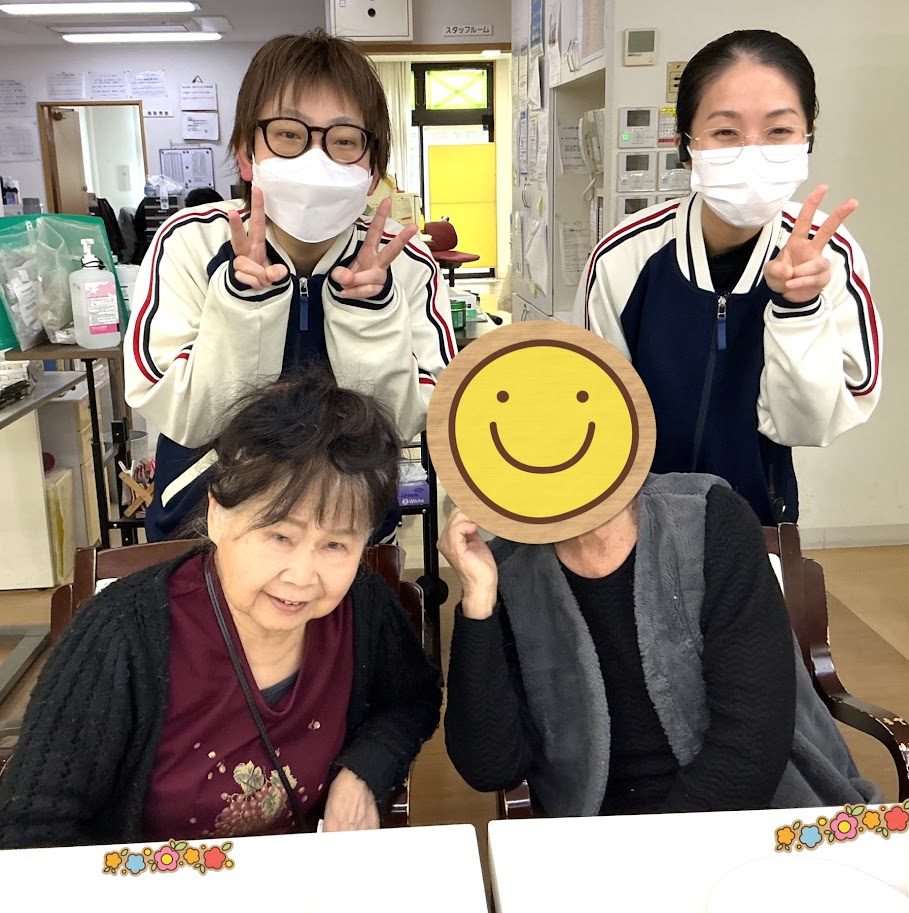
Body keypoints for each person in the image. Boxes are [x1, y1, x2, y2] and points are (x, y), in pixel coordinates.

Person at [0, 368, 441, 848]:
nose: (301, 576)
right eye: (279, 536)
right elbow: (31, 829)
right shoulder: (120, 635)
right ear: (216, 515)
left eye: (335, 545)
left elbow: (410, 700)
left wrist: (362, 771)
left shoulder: (362, 607)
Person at [124, 29, 456, 542]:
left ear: (373, 171)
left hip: (348, 536)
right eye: (288, 134)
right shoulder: (190, 241)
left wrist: (370, 313)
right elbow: (183, 415)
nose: (315, 160)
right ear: (246, 153)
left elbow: (409, 419)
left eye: (344, 141)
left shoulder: (405, 261)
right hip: (207, 530)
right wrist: (245, 304)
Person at [573, 29, 882, 525]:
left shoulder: (830, 256)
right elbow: (593, 408)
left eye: (778, 131)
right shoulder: (625, 256)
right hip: (633, 524)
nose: (752, 151)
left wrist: (799, 308)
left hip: (758, 524)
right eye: (725, 132)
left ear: (808, 138)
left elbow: (807, 426)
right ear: (686, 144)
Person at [441, 472, 878, 817]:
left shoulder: (707, 518)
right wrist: (477, 600)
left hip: (751, 815)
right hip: (598, 839)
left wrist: (657, 854)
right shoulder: (510, 568)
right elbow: (491, 766)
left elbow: (751, 740)